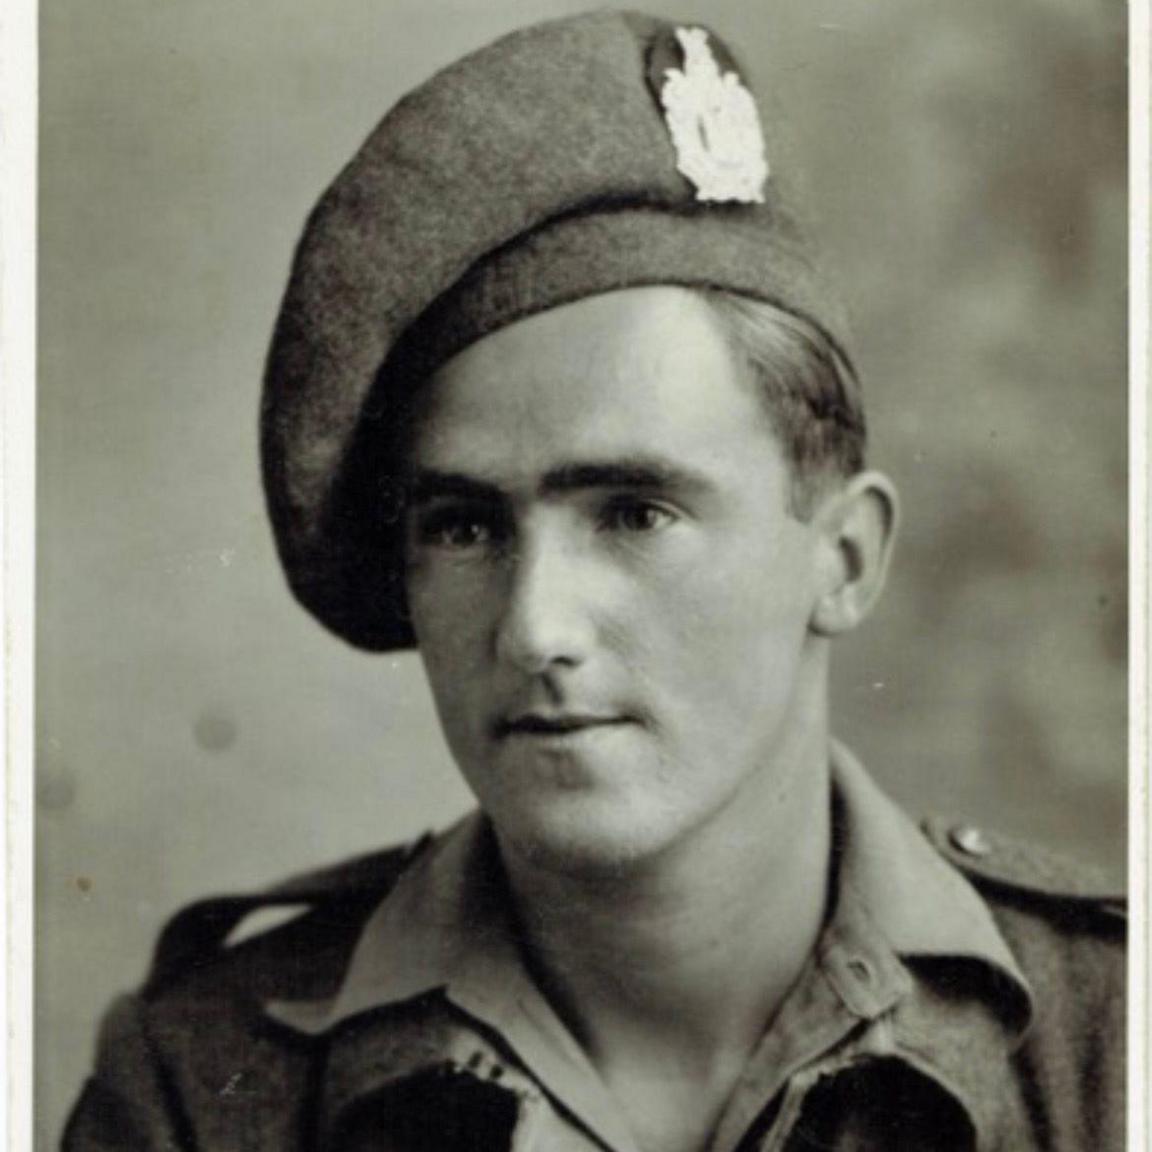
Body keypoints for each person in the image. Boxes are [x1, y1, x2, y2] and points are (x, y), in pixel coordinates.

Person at [64, 11, 1125, 1151]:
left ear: (845, 557)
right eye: (466, 526)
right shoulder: (202, 1082)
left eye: (634, 513)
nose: (535, 628)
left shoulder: (1107, 1044)